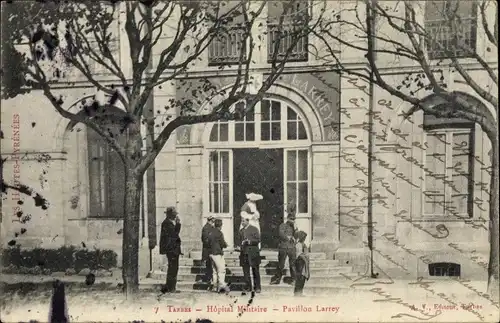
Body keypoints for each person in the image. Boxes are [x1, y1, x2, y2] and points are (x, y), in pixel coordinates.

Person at [270, 206, 297, 285]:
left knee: (293, 265)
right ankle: (277, 279)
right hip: (283, 247)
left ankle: (294, 279)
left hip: (292, 248)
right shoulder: (282, 225)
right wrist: (288, 237)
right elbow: (281, 234)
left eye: (294, 219)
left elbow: (297, 237)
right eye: (291, 219)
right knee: (281, 264)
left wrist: (295, 229)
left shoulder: (294, 228)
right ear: (288, 219)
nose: (292, 221)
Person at [159, 206, 182, 293]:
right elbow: (174, 235)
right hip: (172, 249)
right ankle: (171, 288)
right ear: (170, 214)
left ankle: (171, 287)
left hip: (173, 249)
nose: (175, 216)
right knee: (173, 268)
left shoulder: (168, 223)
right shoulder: (167, 223)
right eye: (174, 214)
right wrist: (178, 224)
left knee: (173, 268)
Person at [239, 214, 261, 293]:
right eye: (241, 221)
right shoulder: (241, 231)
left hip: (253, 253)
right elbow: (240, 242)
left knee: (255, 271)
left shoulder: (254, 229)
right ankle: (248, 287)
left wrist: (249, 242)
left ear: (248, 221)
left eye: (243, 221)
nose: (242, 223)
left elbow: (258, 240)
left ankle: (257, 287)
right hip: (244, 253)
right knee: (246, 271)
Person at [208, 218, 230, 293]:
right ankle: (221, 286)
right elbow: (222, 243)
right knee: (221, 270)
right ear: (220, 225)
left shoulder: (210, 232)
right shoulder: (219, 233)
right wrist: (226, 245)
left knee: (214, 271)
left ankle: (214, 286)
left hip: (211, 253)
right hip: (217, 253)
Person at [293, 230, 310, 296]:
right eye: (304, 237)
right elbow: (299, 254)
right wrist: (305, 259)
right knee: (300, 277)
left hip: (304, 262)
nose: (304, 239)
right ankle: (297, 292)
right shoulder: (298, 244)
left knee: (303, 278)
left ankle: (300, 292)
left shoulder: (303, 244)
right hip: (300, 262)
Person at [201, 216, 216, 286]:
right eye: (213, 221)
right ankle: (208, 280)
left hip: (211, 249)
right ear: (210, 220)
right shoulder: (206, 228)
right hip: (207, 249)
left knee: (210, 265)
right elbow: (205, 240)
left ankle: (210, 279)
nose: (213, 222)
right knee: (209, 265)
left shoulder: (211, 227)